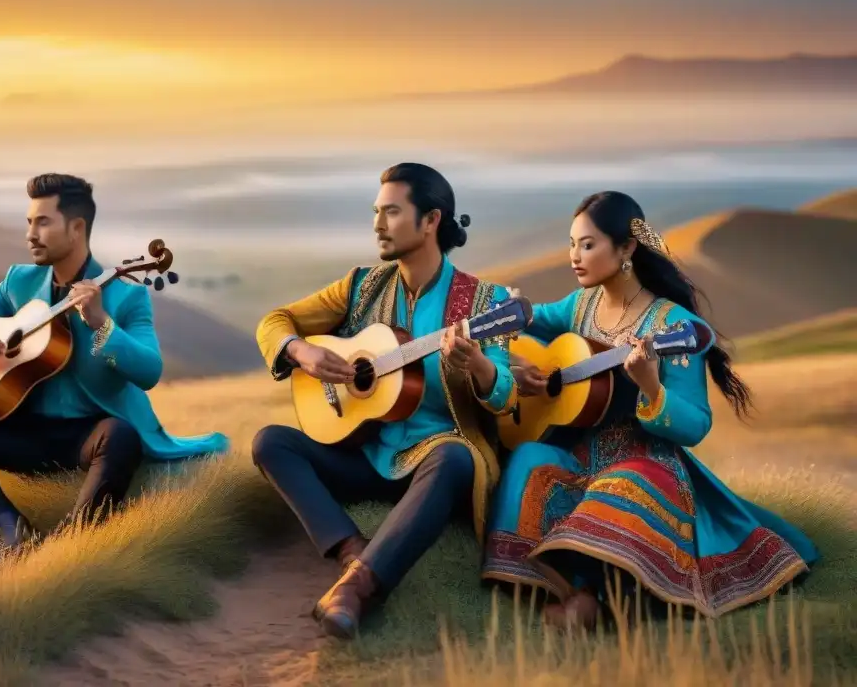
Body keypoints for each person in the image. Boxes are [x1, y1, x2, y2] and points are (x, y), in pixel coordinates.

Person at [481, 191, 819, 629]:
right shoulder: (580, 305)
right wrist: (507, 320)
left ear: (626, 249)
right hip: (582, 456)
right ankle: (570, 592)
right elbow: (524, 319)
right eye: (571, 244)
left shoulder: (674, 327)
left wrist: (651, 387)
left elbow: (696, 423)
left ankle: (600, 599)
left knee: (622, 486)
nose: (574, 257)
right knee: (528, 459)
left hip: (647, 463)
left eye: (587, 245)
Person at [252, 163, 518, 640]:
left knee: (455, 456)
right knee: (271, 442)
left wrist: (478, 364)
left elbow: (505, 394)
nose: (378, 224)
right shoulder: (361, 285)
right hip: (368, 453)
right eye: (377, 212)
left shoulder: (483, 301)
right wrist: (302, 351)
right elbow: (275, 320)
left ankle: (357, 588)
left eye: (392, 212)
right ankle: (352, 550)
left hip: (435, 465)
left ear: (431, 220)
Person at [0, 173, 228, 552]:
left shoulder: (127, 297)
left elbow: (150, 372)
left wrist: (102, 324)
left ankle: (72, 542)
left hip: (87, 439)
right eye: (29, 222)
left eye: (43, 222)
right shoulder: (19, 283)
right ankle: (10, 529)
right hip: (23, 432)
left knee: (121, 437)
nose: (31, 234)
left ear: (77, 227)